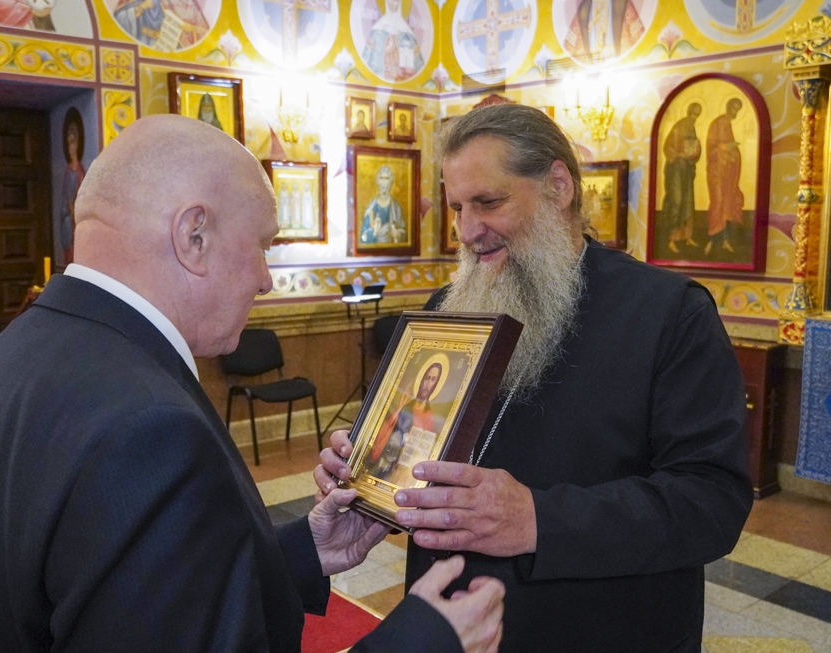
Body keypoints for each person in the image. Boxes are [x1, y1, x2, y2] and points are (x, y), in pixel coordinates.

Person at [0, 114, 506, 653]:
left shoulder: (14, 352)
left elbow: (130, 588)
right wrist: (424, 643)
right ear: (194, 236)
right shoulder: (148, 430)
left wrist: (304, 550)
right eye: (262, 246)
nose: (265, 280)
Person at [317, 104, 753, 653]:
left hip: (601, 630)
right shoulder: (446, 309)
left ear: (558, 186)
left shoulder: (669, 313)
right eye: (457, 208)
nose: (467, 231)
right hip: (450, 629)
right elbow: (420, 442)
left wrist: (539, 519)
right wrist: (369, 467)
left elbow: (712, 502)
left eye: (489, 202)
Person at [367, 361, 444, 481]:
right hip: (387, 463)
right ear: (421, 380)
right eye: (427, 378)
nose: (428, 384)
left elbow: (423, 451)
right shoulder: (405, 408)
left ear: (436, 384)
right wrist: (400, 408)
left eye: (433, 380)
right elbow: (384, 434)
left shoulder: (429, 416)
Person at [661, 102, 703, 254]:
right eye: (693, 113)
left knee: (687, 203)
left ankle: (686, 236)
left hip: (687, 169)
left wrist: (696, 151)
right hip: (676, 170)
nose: (694, 117)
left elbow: (694, 149)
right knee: (676, 200)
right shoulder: (679, 126)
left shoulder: (692, 128)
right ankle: (671, 239)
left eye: (697, 115)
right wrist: (678, 154)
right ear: (688, 112)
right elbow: (668, 147)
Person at [705, 98, 745, 256]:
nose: (735, 112)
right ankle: (712, 238)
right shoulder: (717, 123)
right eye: (734, 108)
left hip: (727, 173)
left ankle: (725, 240)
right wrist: (726, 147)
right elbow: (711, 151)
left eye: (738, 109)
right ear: (728, 107)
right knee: (718, 201)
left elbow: (731, 150)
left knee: (727, 203)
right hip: (716, 173)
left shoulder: (728, 124)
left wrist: (733, 154)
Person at [362, 0, 424, 82]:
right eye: (390, 1)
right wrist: (385, 51)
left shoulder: (407, 33)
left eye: (395, 1)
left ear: (399, 3)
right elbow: (365, 59)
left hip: (402, 79)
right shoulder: (377, 30)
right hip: (380, 77)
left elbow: (419, 64)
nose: (392, 4)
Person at [564, 0, 644, 59]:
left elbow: (638, 35)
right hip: (592, 64)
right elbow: (570, 43)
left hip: (618, 62)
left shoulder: (622, 3)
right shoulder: (584, 8)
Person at [58, 108, 85, 266]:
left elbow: (83, 196)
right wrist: (68, 210)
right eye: (69, 143)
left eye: (74, 143)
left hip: (77, 221)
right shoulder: (68, 171)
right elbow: (64, 200)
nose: (71, 147)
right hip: (69, 220)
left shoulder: (80, 171)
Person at [360, 165, 407, 244]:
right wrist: (374, 232)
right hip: (373, 250)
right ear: (378, 182)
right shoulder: (372, 207)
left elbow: (404, 234)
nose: (384, 182)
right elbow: (363, 238)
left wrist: (397, 234)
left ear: (391, 182)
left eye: (386, 178)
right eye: (381, 178)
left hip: (392, 249)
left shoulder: (396, 208)